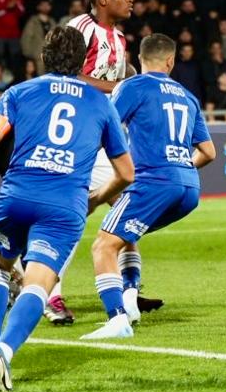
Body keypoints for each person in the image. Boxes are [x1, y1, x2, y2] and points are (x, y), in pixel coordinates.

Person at [0, 26, 133, 391]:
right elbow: (126, 173)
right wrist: (97, 197)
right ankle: (4, 354)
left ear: (43, 57)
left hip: (17, 196)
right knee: (40, 282)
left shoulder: (18, 93)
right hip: (64, 204)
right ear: (84, 62)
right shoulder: (101, 103)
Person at [84, 32, 216, 339]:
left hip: (153, 182)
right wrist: (179, 164)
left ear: (137, 60)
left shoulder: (132, 86)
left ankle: (116, 320)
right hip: (188, 189)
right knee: (125, 233)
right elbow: (208, 152)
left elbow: (107, 127)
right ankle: (130, 297)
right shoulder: (188, 95)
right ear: (171, 60)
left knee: (103, 245)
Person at [42, 0, 135, 326]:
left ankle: (128, 289)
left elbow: (118, 84)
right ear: (101, 0)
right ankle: (49, 294)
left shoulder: (120, 38)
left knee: (127, 208)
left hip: (103, 138)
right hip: (75, 137)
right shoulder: (81, 26)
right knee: (69, 217)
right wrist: (120, 84)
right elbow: (66, 73)